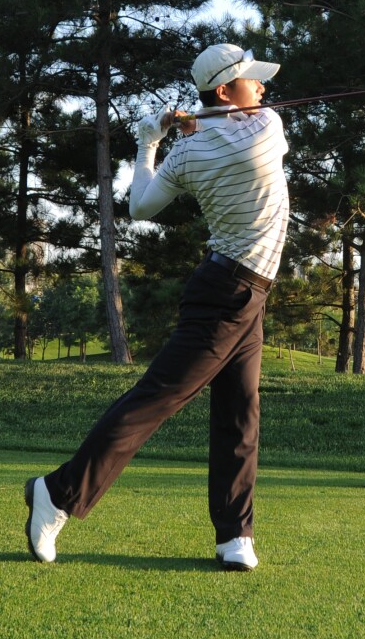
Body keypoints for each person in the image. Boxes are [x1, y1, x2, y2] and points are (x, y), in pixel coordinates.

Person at [24, 44, 288, 571]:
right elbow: (227, 134)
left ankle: (234, 534)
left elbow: (140, 203)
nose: (261, 88)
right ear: (222, 91)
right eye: (250, 81)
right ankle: (56, 493)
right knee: (159, 399)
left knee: (241, 412)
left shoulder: (191, 152)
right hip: (227, 294)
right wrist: (190, 129)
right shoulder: (266, 129)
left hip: (245, 290)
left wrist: (150, 142)